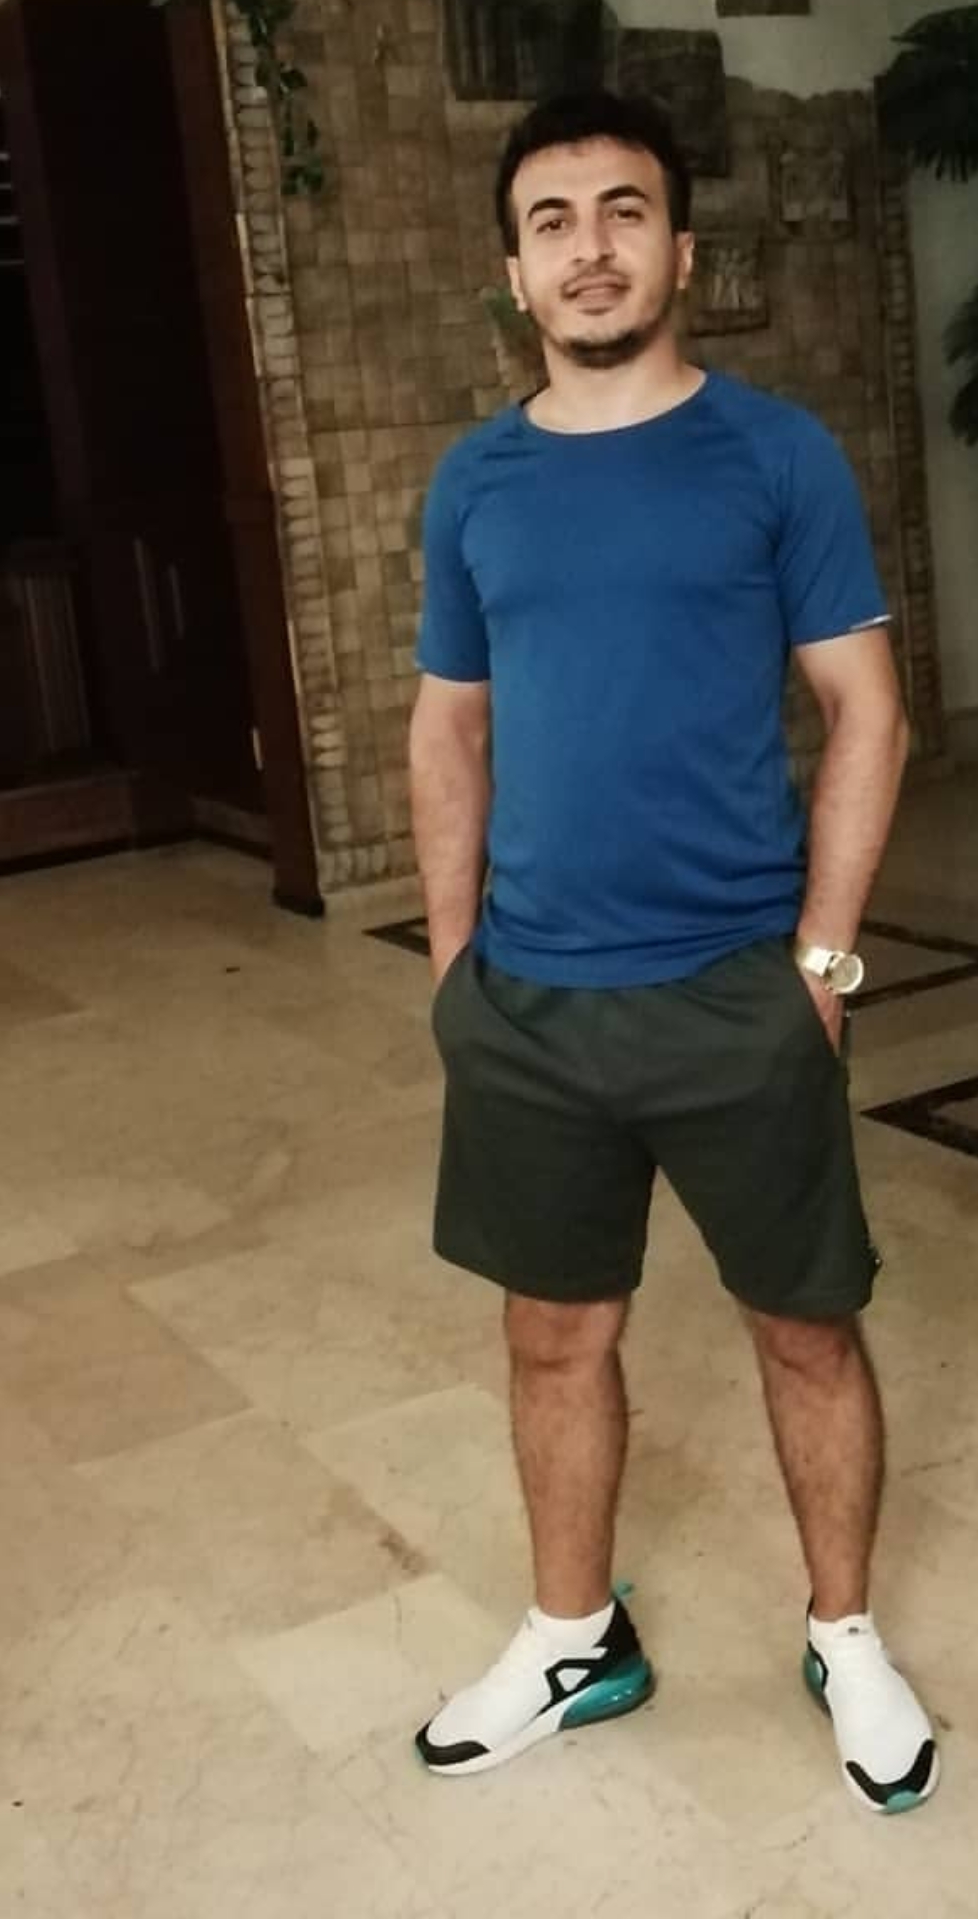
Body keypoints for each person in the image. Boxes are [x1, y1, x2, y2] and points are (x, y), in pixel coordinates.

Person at [408, 89, 939, 1813]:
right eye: (551, 222)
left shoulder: (776, 456)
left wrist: (826, 965)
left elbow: (867, 712)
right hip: (532, 1004)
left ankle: (845, 1635)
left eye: (623, 211)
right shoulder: (474, 484)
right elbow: (448, 727)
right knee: (553, 1336)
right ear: (514, 271)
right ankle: (576, 1635)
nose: (590, 248)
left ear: (681, 250)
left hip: (734, 989)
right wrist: (454, 964)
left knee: (807, 1332)